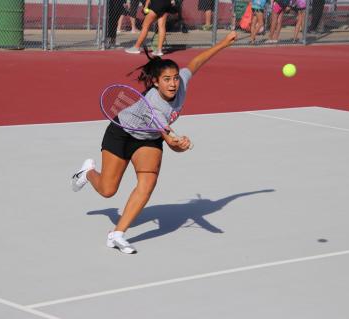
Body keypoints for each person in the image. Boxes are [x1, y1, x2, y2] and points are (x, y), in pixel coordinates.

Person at [71, 31, 237, 254]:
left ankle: (117, 234)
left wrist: (224, 43)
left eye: (175, 78)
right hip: (122, 133)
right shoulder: (153, 103)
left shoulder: (182, 83)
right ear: (156, 82)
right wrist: (179, 143)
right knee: (108, 190)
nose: (173, 83)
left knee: (147, 184)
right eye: (167, 80)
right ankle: (87, 172)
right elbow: (169, 139)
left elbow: (198, 61)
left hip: (148, 139)